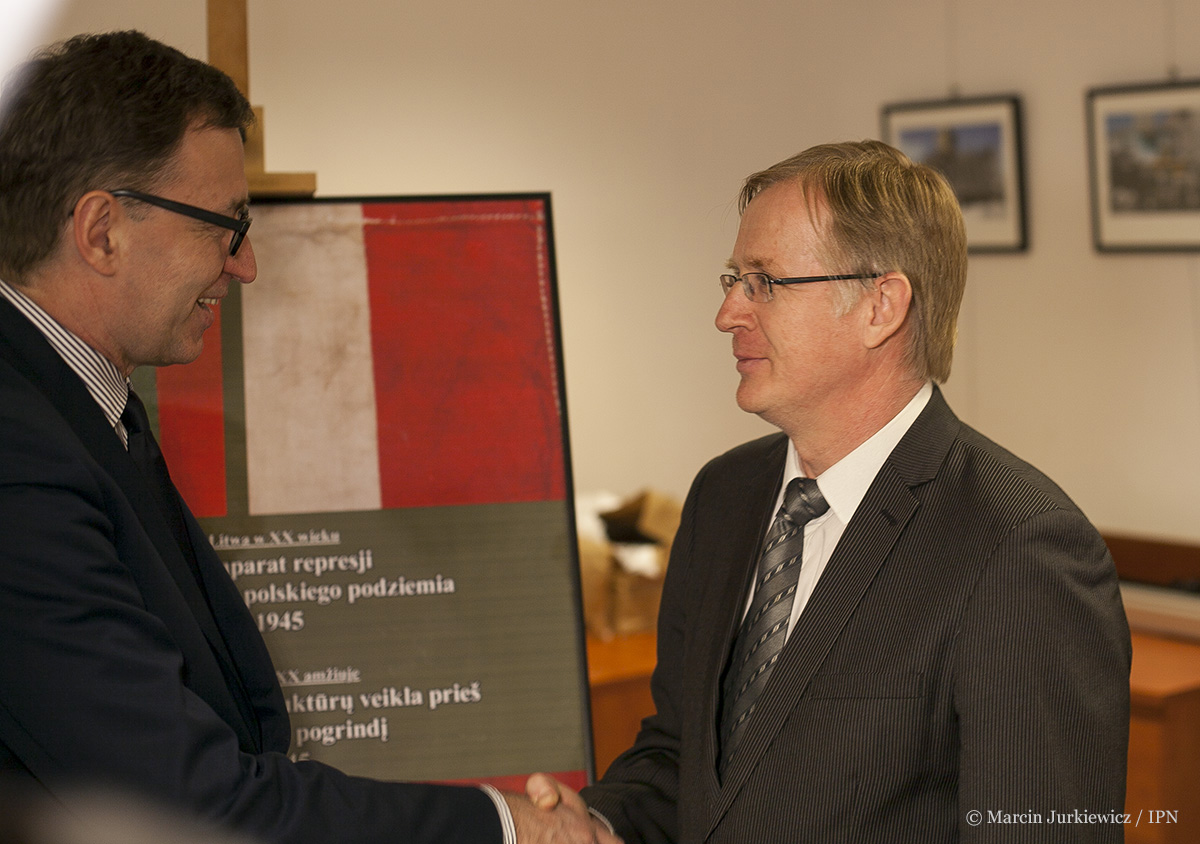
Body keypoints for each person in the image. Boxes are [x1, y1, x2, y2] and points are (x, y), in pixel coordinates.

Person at [0, 31, 615, 844]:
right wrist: (510, 826)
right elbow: (183, 799)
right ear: (102, 230)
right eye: (223, 226)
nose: (246, 265)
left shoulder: (79, 405)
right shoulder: (19, 453)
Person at [567, 141, 1131, 842]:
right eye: (733, 279)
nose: (728, 312)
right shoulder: (724, 495)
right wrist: (595, 822)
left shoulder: (1020, 549)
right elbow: (683, 758)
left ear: (880, 306)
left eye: (764, 282)